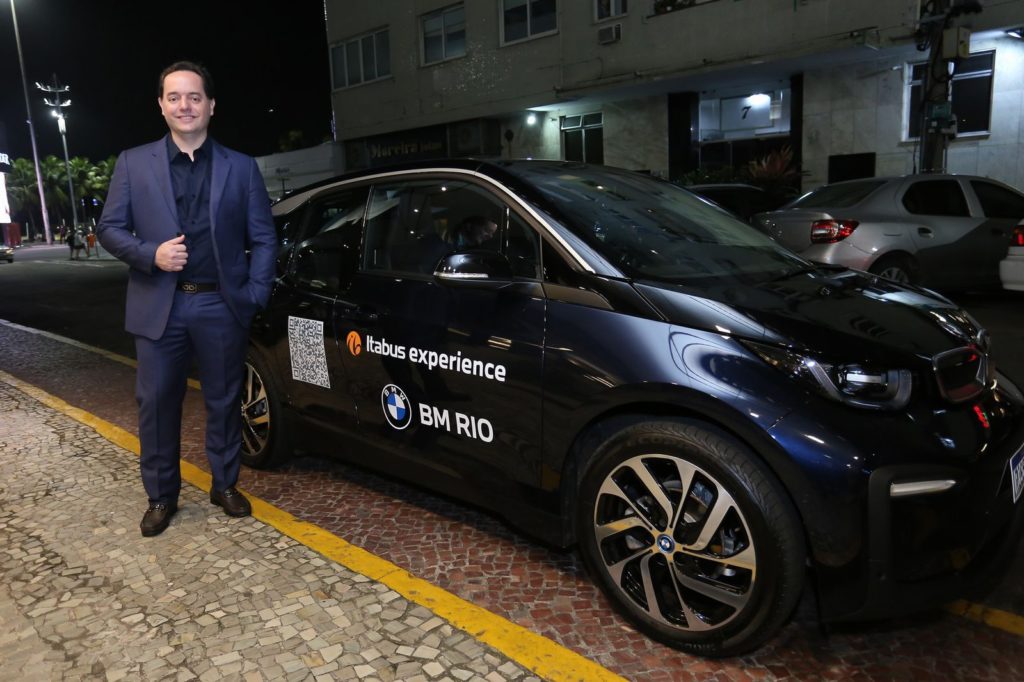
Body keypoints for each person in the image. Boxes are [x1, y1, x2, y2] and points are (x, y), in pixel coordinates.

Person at [97, 61, 277, 537]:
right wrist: (150, 254)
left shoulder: (241, 167)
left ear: (211, 106)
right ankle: (161, 496)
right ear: (161, 105)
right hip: (161, 305)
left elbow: (264, 239)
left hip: (222, 305)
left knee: (223, 400)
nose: (185, 105)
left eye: (194, 97)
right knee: (156, 404)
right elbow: (109, 230)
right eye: (174, 97)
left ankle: (224, 484)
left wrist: (255, 294)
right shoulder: (134, 163)